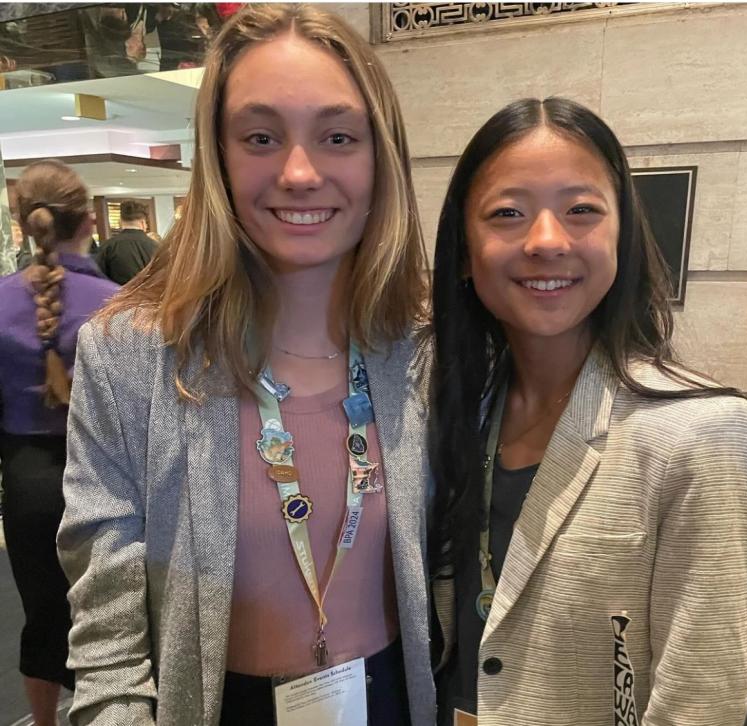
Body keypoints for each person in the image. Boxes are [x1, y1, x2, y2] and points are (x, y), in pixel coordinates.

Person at [57, 5, 435, 726]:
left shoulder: (421, 348)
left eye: (337, 137)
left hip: (391, 699)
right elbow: (106, 631)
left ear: (379, 156)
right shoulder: (129, 355)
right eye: (261, 138)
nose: (299, 172)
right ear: (219, 158)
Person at [429, 97, 747, 726]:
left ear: (623, 236)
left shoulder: (702, 434)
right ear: (463, 249)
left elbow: (699, 701)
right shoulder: (456, 411)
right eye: (507, 213)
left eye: (581, 210)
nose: (546, 240)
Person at [0, 160, 118, 726]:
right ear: (89, 220)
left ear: (24, 224)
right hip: (107, 481)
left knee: (43, 618)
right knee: (116, 616)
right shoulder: (121, 304)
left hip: (27, 484)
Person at [94, 199, 158, 285]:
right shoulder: (155, 246)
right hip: (149, 292)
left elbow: (99, 279)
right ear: (143, 223)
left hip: (117, 292)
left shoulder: (107, 246)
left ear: (120, 222)